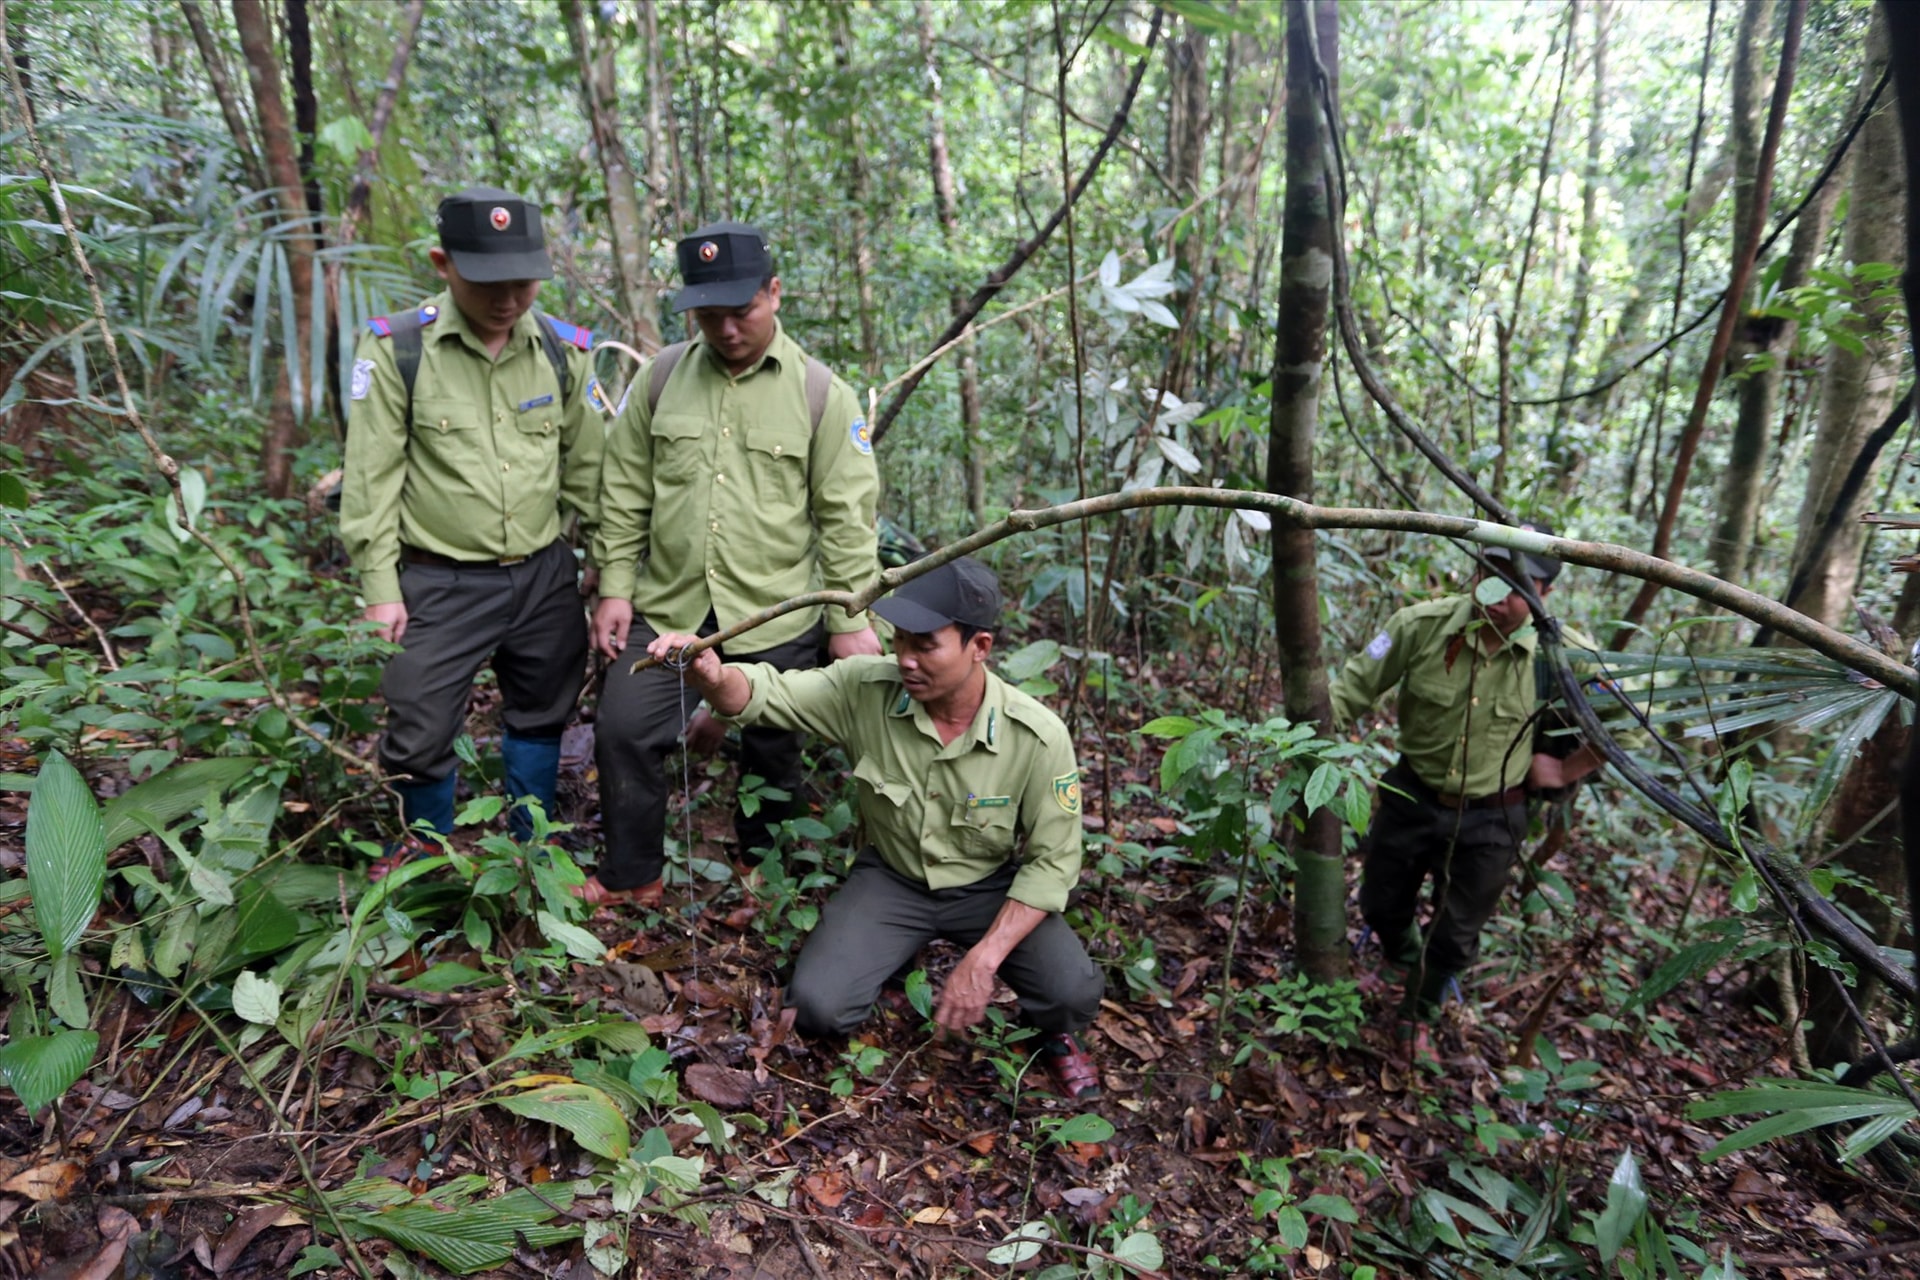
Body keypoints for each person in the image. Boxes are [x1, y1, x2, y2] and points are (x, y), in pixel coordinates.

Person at [646, 558, 1105, 1099]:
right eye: (899, 641)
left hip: (987, 884)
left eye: (926, 645)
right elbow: (764, 695)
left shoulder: (1037, 735)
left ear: (979, 646)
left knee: (1073, 992)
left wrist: (983, 960)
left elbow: (1053, 863)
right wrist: (712, 674)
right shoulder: (867, 688)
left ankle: (1053, 1038)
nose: (905, 660)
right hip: (892, 877)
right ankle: (887, 954)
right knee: (818, 1006)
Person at [588, 222, 881, 906]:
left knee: (774, 744)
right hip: (670, 603)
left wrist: (848, 617)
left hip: (774, 608)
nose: (725, 329)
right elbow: (624, 491)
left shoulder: (820, 394)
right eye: (708, 314)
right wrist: (616, 589)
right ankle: (635, 875)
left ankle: (765, 873)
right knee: (623, 728)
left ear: (774, 294)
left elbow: (847, 514)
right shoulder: (660, 379)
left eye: (740, 311)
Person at [341, 186, 606, 872]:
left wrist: (610, 572)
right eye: (490, 281)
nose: (509, 297)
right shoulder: (398, 349)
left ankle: (531, 844)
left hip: (544, 573)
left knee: (543, 709)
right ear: (442, 263)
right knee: (420, 721)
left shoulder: (561, 351)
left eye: (524, 281)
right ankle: (426, 849)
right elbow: (372, 479)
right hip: (438, 576)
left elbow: (594, 474)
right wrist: (379, 587)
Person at [1329, 537, 1604, 1039]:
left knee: (1456, 936)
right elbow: (1348, 690)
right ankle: (1403, 957)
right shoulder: (1419, 626)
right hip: (1411, 795)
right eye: (1488, 576)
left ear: (1544, 594)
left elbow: (1630, 722)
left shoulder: (1565, 655)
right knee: (1380, 904)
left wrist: (1567, 771)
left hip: (1495, 816)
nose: (1496, 595)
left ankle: (1421, 1012)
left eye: (1516, 587)